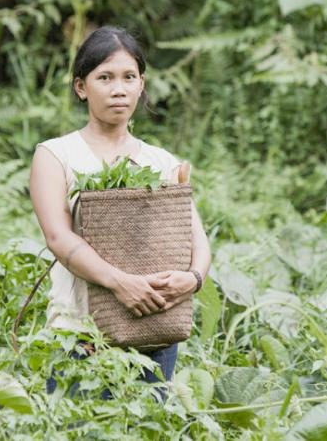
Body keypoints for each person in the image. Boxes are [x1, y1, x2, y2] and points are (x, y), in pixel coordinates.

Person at [28, 24, 212, 401]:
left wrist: (192, 279)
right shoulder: (55, 155)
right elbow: (59, 238)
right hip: (79, 336)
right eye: (105, 77)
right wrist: (119, 282)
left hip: (154, 331)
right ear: (81, 87)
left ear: (142, 84)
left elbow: (198, 239)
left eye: (129, 77)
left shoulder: (161, 161)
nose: (119, 89)